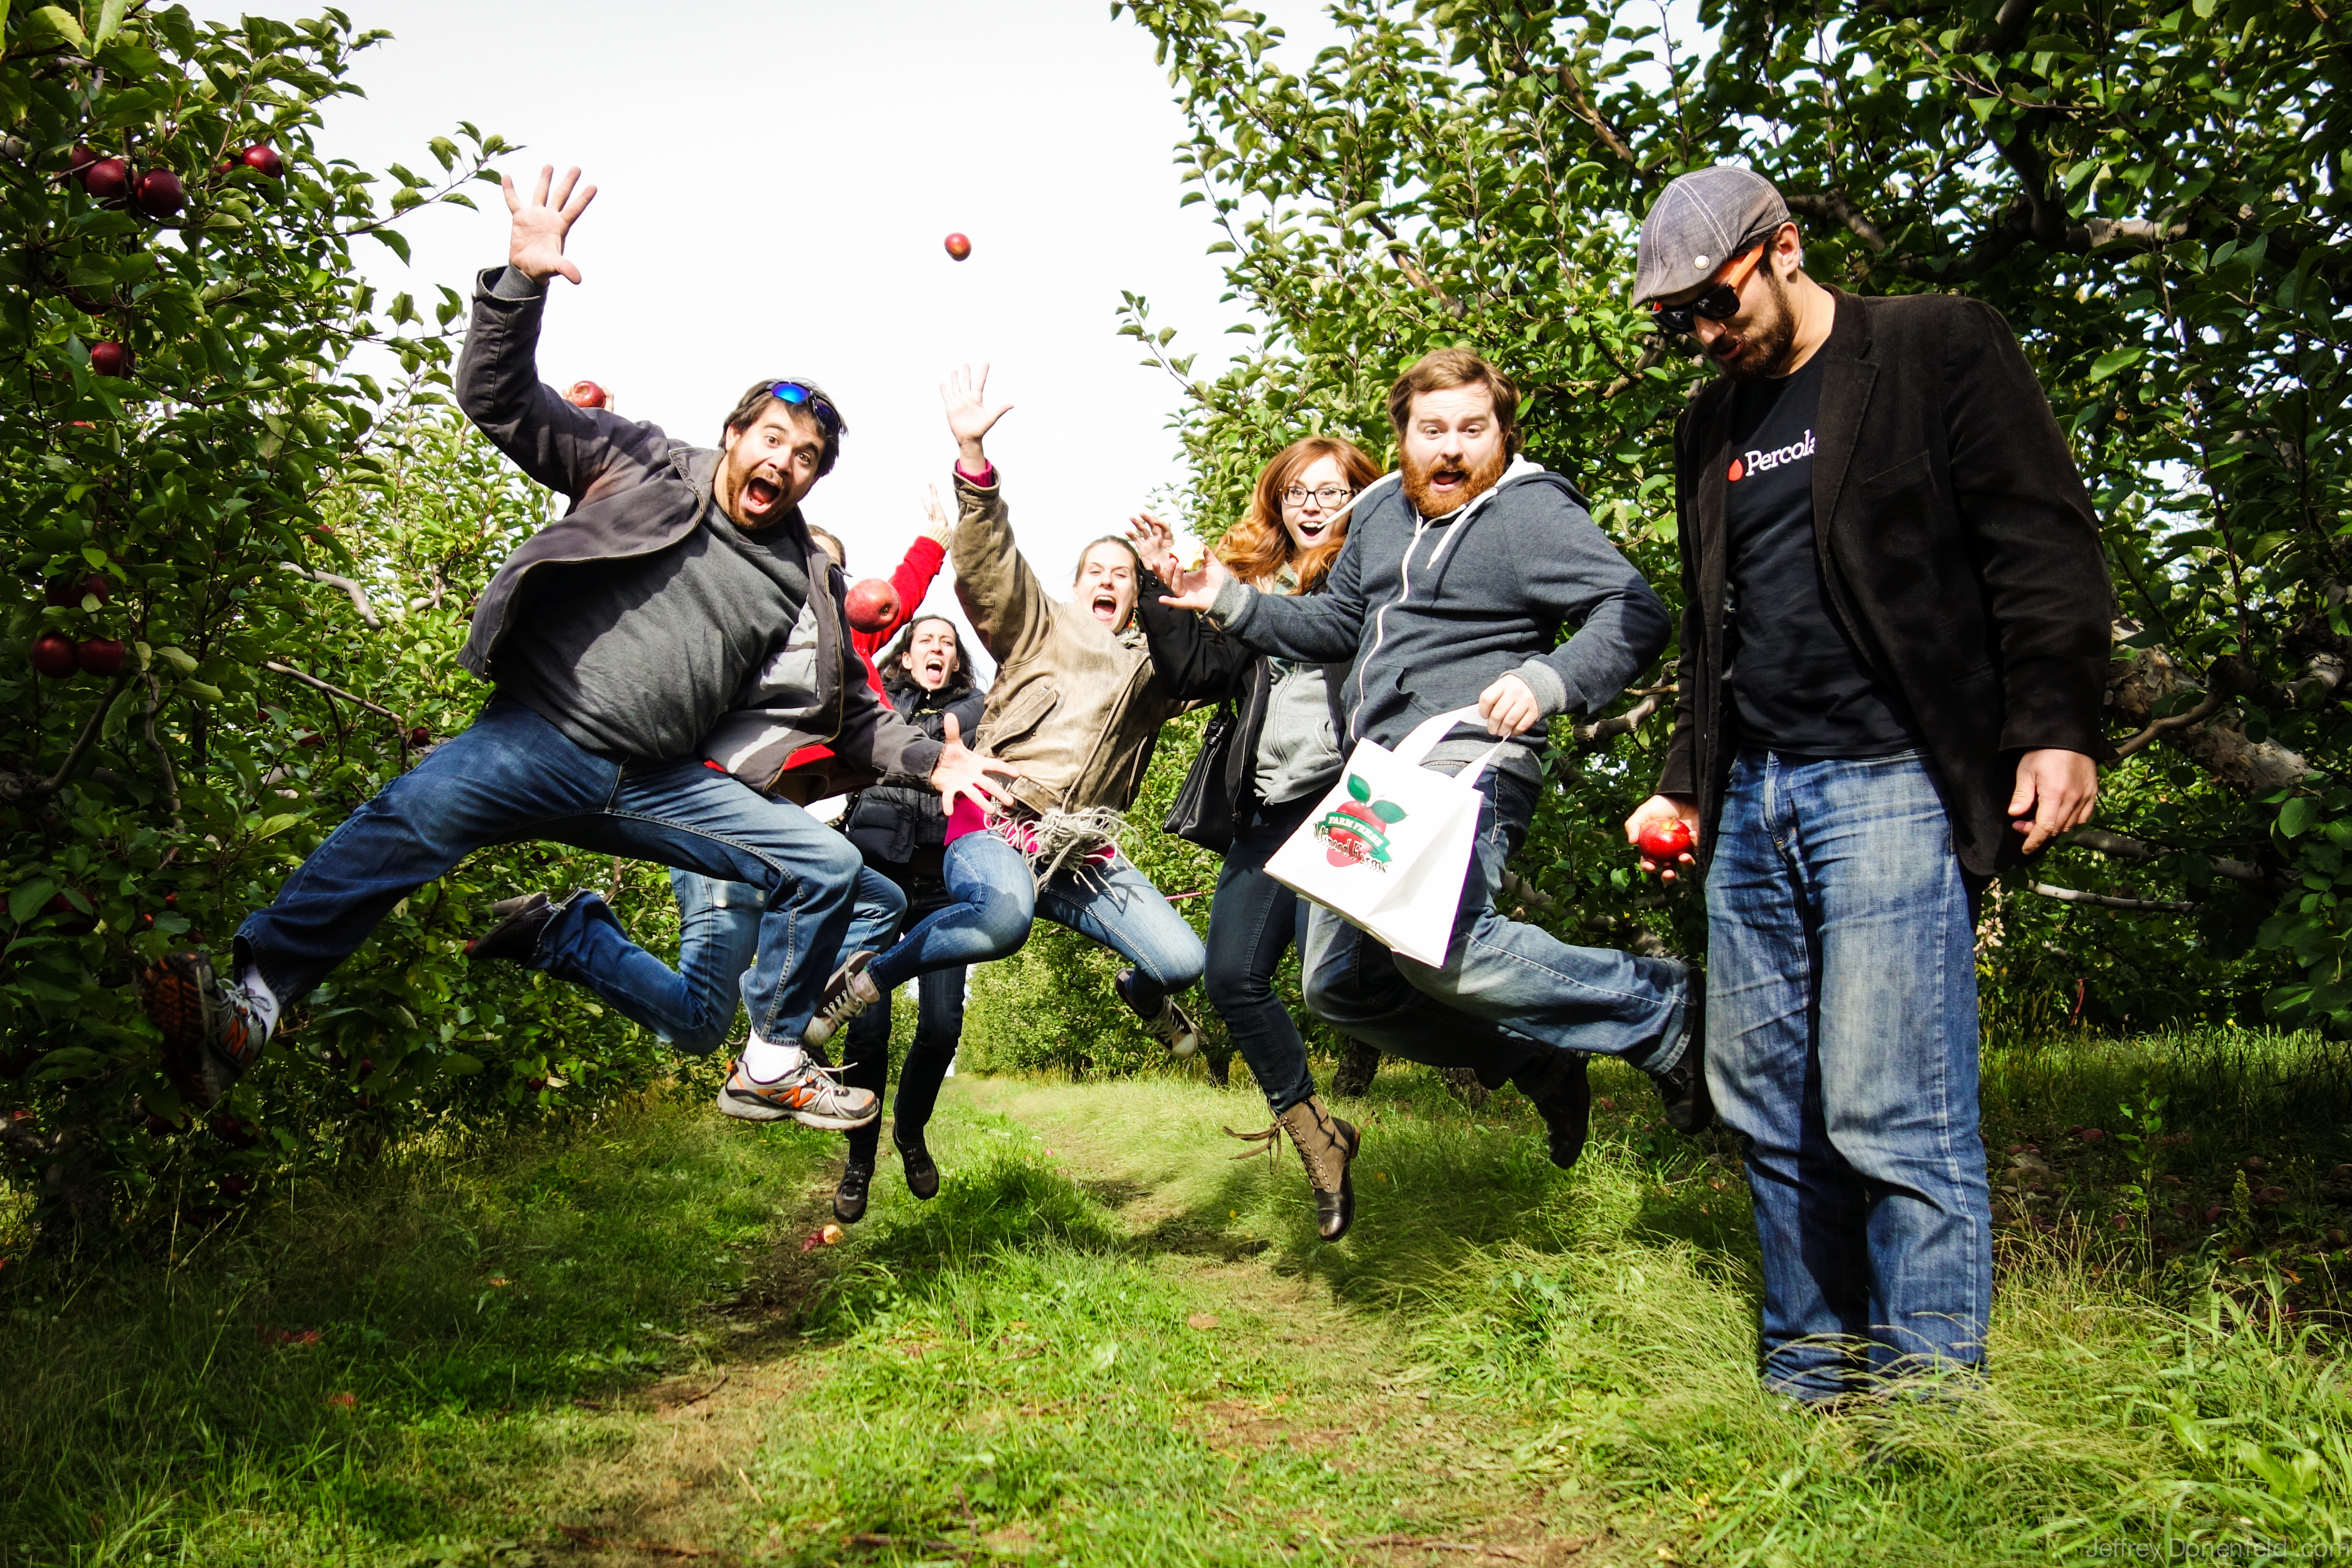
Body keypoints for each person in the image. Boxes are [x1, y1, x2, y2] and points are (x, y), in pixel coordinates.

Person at [137, 164, 1002, 1129]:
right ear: (733, 434)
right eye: (771, 437)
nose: (782, 463)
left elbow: (848, 715)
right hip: (541, 736)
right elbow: (500, 401)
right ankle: (252, 1005)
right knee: (411, 816)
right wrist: (521, 285)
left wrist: (934, 763)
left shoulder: (807, 573)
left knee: (830, 868)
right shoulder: (636, 459)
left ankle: (766, 1064)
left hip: (662, 780)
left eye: (805, 457)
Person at [1621, 167, 2112, 1403]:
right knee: (1770, 1108)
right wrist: (1686, 785)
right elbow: (1712, 631)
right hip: (1754, 801)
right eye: (1674, 322)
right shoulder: (1708, 428)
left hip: (1890, 778)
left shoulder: (1935, 346)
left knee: (1893, 1105)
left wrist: (2055, 722)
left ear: (1782, 249)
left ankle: (1932, 1401)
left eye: (1713, 305)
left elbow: (2038, 537)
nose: (1701, 336)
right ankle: (1809, 1374)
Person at [1159, 349, 1702, 1171]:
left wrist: (1549, 677)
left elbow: (1633, 608)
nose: (1450, 449)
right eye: (1431, 429)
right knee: (1337, 986)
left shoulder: (1527, 510)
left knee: (1441, 943)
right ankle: (1537, 1056)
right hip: (1377, 774)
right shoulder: (1378, 509)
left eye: (1471, 430)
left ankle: (1663, 1007)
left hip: (1470, 750)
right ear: (1404, 435)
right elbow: (1337, 625)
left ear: (1501, 434)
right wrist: (1230, 602)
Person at [805, 365, 1208, 1076]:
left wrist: (1181, 596)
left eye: (1124, 573)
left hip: (1079, 848)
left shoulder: (1157, 665)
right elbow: (991, 564)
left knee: (1181, 959)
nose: (1110, 580)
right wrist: (973, 463)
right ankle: (865, 980)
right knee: (1001, 918)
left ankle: (1142, 995)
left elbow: (1221, 670)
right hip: (997, 819)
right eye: (1097, 571)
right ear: (1075, 584)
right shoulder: (1041, 624)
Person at [1125, 436, 1377, 1240]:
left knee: (1355, 980)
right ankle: (1319, 1140)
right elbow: (1194, 675)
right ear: (1276, 500)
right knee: (1232, 979)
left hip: (1351, 799)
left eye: (1329, 490)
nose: (1311, 504)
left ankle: (1528, 1057)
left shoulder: (1374, 574)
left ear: (1359, 496)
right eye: (1296, 491)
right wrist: (1156, 585)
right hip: (1269, 808)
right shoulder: (1250, 584)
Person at [827, 615, 989, 1222]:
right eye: (927, 639)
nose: (938, 648)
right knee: (865, 1027)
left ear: (957, 657)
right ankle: (859, 1161)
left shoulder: (979, 709)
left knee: (944, 1025)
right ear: (907, 651)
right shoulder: (876, 699)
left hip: (944, 882)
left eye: (948, 641)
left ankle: (911, 1130)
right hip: (874, 879)